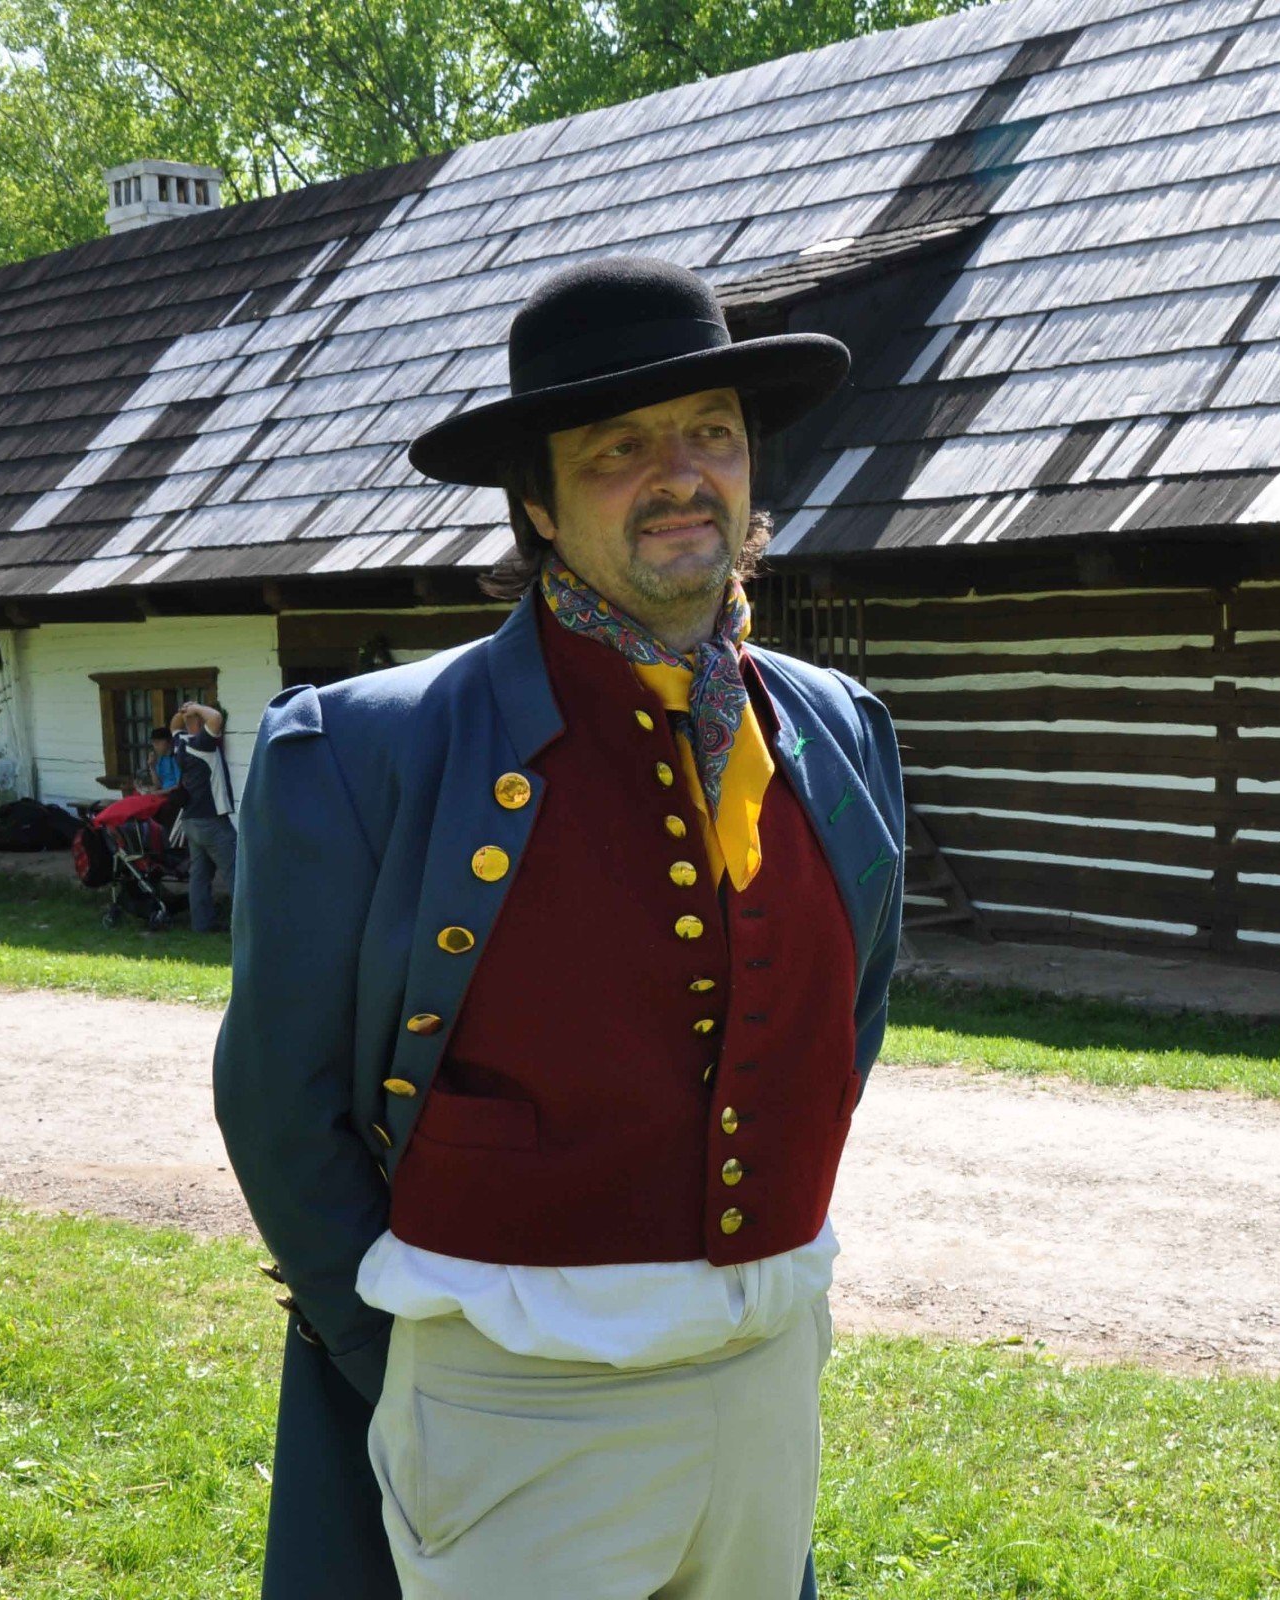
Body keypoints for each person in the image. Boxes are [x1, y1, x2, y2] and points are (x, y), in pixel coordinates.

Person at [211, 257, 904, 1600]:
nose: (682, 473)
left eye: (712, 431)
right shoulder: (364, 755)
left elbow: (843, 1022)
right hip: (512, 1406)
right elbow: (279, 1103)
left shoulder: (836, 732)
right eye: (618, 449)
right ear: (535, 501)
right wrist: (409, 1356)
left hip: (767, 1373)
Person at [168, 701, 235, 932]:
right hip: (211, 820)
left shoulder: (181, 743)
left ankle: (202, 924)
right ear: (199, 724)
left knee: (200, 876)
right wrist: (195, 707)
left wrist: (182, 712)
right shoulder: (201, 743)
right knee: (236, 871)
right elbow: (216, 717)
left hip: (190, 821)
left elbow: (173, 726)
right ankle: (249, 927)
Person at [142, 727, 183, 795]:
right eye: (153, 743)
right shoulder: (161, 759)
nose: (155, 746)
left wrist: (158, 793)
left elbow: (179, 785)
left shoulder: (175, 759)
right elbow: (158, 785)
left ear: (168, 742)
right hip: (162, 793)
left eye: (157, 743)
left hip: (173, 795)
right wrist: (152, 767)